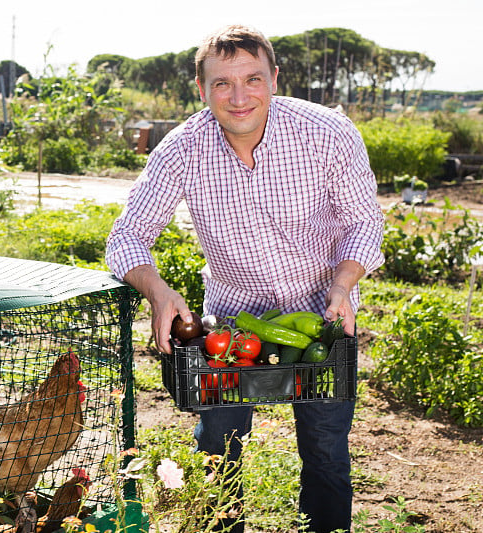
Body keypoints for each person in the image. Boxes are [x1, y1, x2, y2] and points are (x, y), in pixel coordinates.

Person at [105, 24, 384, 533]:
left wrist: (343, 287)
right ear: (202, 89)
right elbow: (126, 236)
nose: (239, 97)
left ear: (274, 78)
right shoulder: (182, 148)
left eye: (252, 79)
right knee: (218, 448)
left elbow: (364, 222)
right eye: (221, 83)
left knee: (325, 451)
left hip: (322, 315)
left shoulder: (326, 133)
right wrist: (158, 291)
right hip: (231, 325)